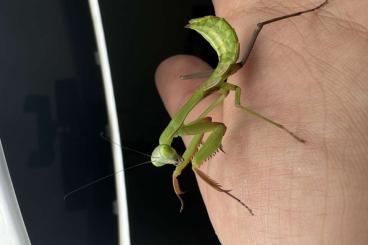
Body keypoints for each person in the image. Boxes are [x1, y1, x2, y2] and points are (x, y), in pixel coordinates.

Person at [155, 1, 368, 244]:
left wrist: (284, 129)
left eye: (170, 154)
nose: (175, 159)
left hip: (225, 57)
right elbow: (211, 125)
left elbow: (215, 128)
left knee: (256, 33)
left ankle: (310, 9)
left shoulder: (188, 127)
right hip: (220, 72)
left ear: (169, 141)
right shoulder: (186, 122)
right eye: (172, 159)